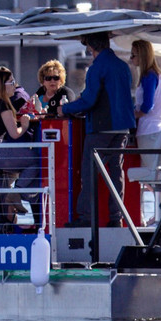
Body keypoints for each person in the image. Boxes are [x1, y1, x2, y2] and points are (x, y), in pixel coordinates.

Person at [57, 31, 136, 227]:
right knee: (116, 174)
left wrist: (64, 108)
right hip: (123, 128)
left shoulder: (96, 68)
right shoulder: (122, 66)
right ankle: (115, 218)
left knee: (90, 173)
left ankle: (86, 219)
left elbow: (89, 100)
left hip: (101, 127)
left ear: (91, 47)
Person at [0, 67, 41, 229]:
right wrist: (24, 124)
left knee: (2, 183)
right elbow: (15, 133)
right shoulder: (2, 103)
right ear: (3, 85)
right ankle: (18, 192)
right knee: (36, 160)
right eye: (12, 82)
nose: (15, 85)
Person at [130, 39, 161, 177]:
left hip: (148, 130)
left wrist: (132, 115)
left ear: (142, 55)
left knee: (151, 174)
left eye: (133, 55)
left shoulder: (148, 76)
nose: (131, 58)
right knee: (155, 173)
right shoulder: (160, 76)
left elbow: (147, 106)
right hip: (160, 129)